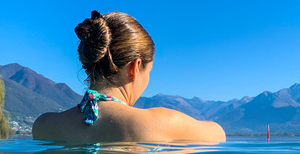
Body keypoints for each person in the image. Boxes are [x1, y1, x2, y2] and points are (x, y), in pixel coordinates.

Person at [32, 11, 226, 143]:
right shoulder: (157, 123)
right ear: (135, 67)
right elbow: (219, 134)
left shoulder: (43, 126)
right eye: (148, 72)